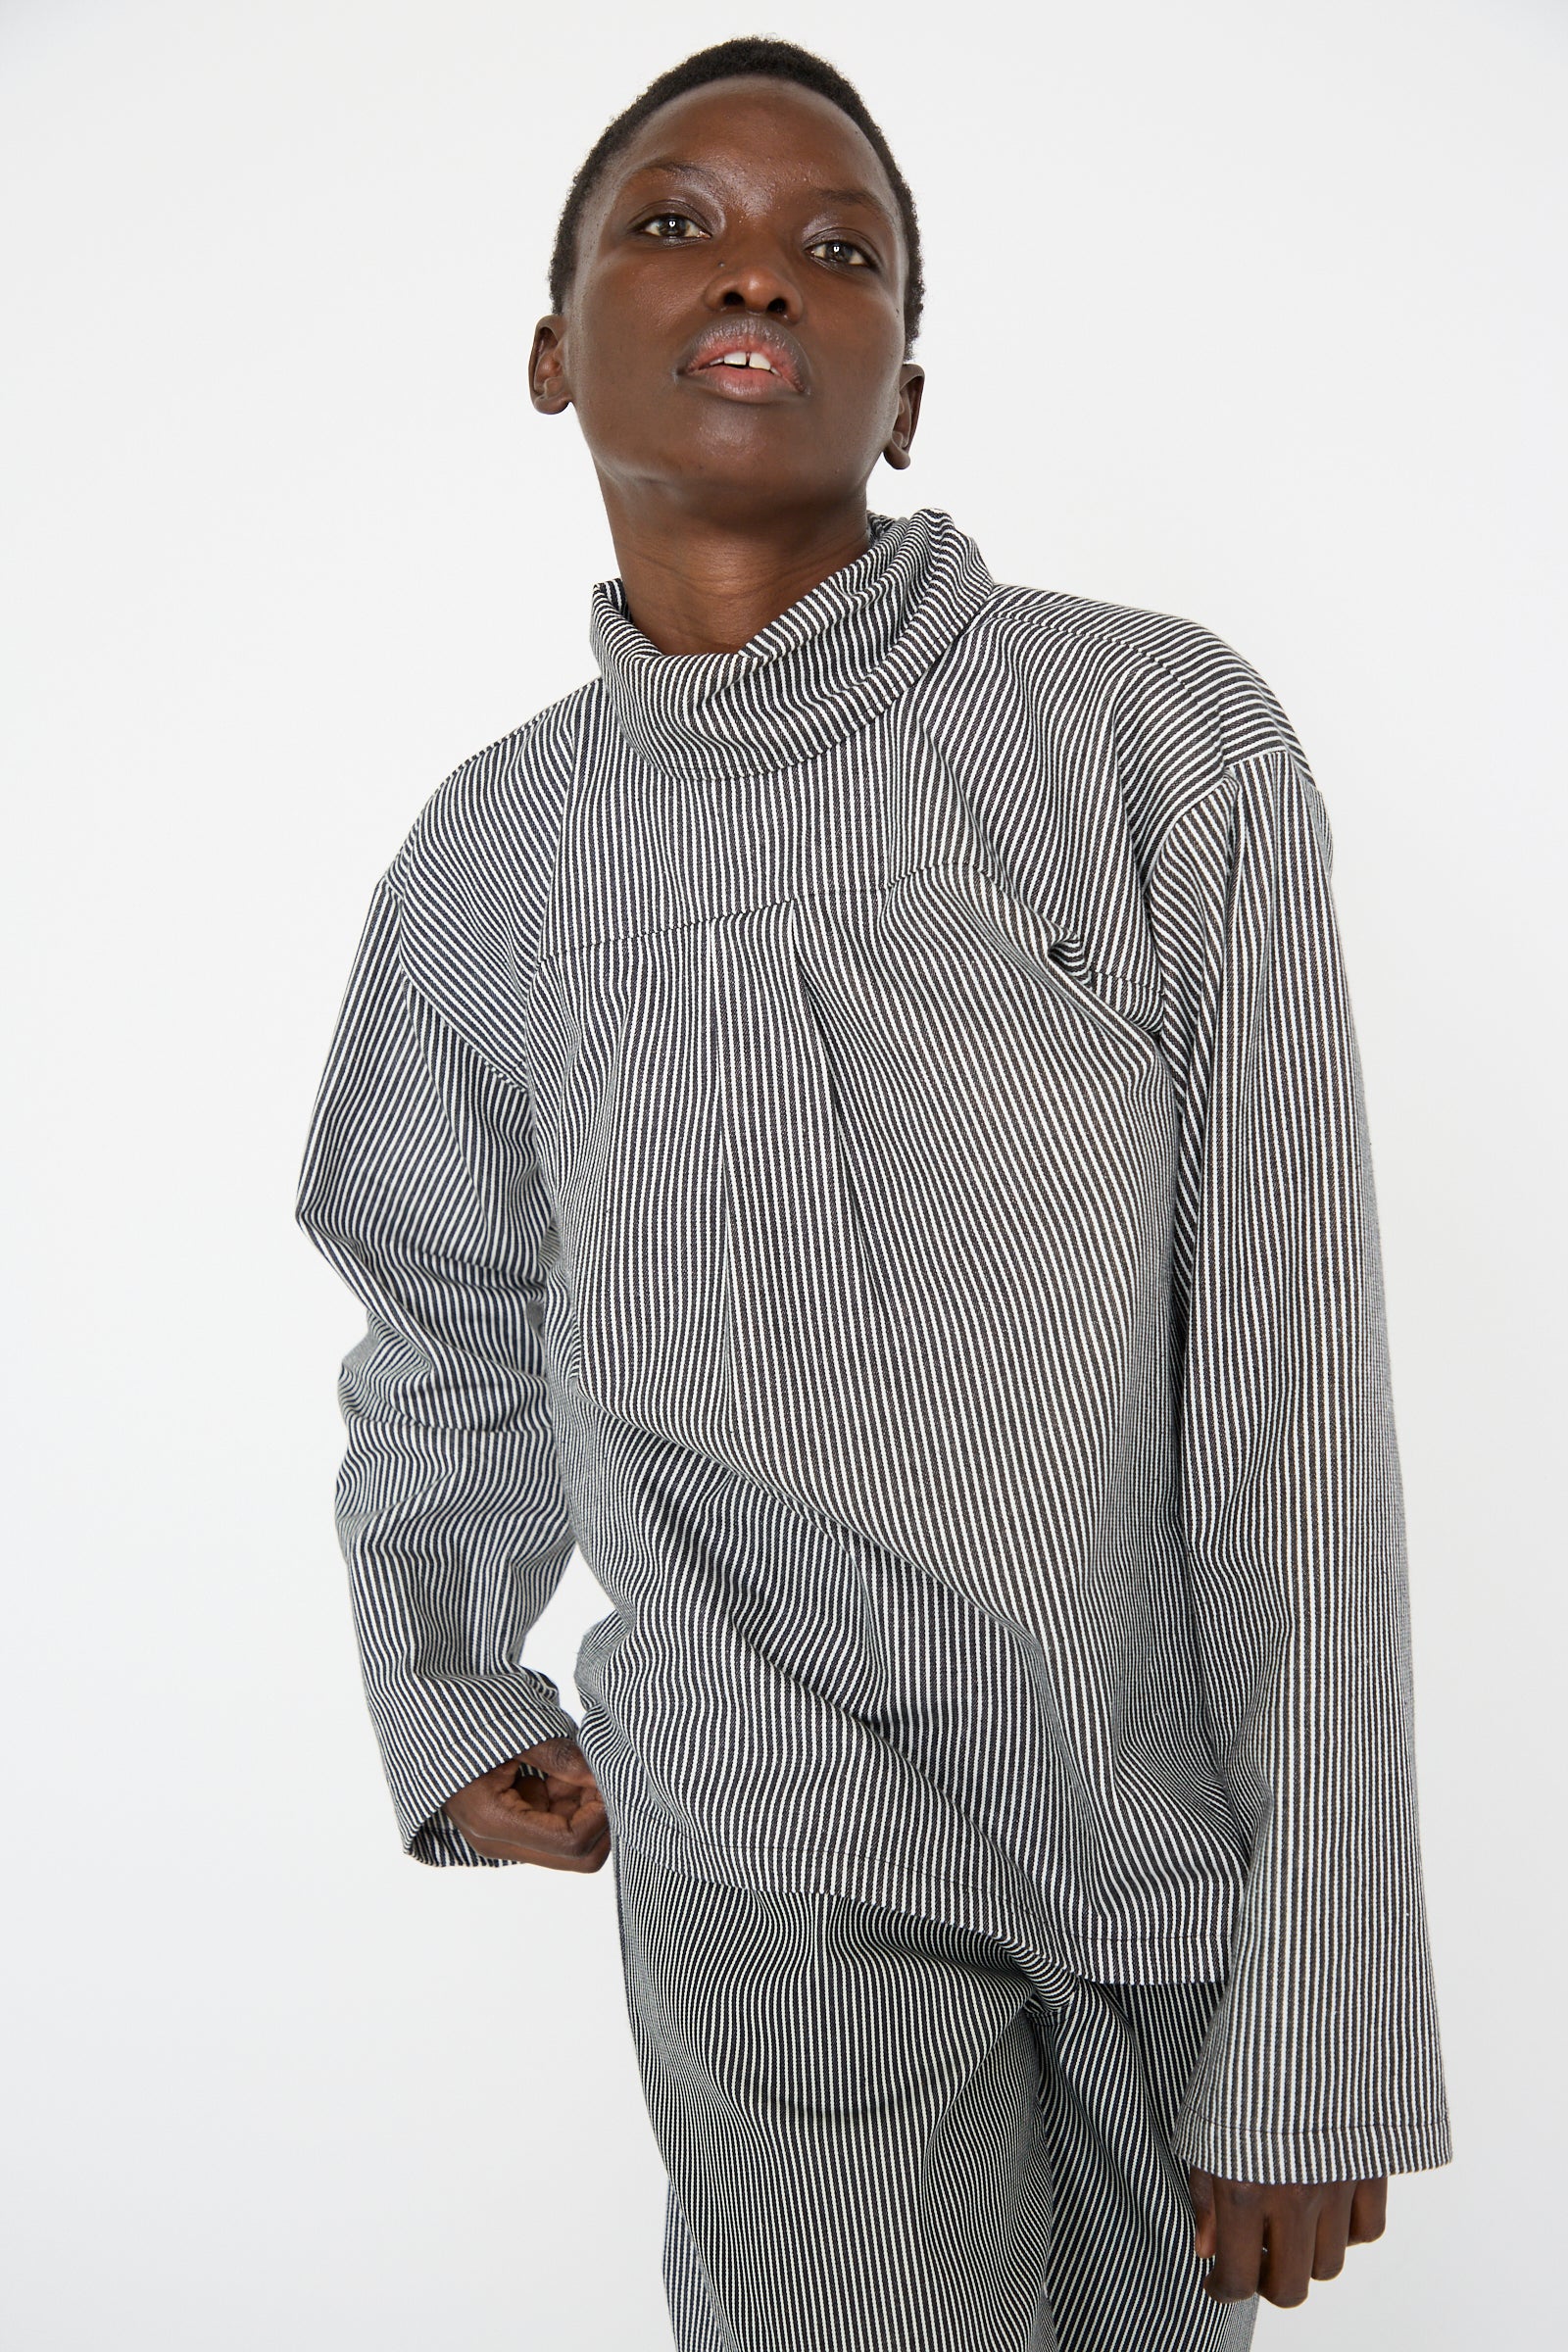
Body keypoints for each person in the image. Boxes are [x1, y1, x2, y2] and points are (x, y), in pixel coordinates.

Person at [293, 35, 1451, 2352]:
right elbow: (442, 1295)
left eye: (841, 251)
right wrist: (442, 1672)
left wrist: (1319, 1994)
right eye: (674, 223)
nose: (761, 273)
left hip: (1147, 1837)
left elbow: (1289, 1391)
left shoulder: (1150, 742)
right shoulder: (489, 859)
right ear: (551, 352)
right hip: (760, 1841)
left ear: (905, 383)